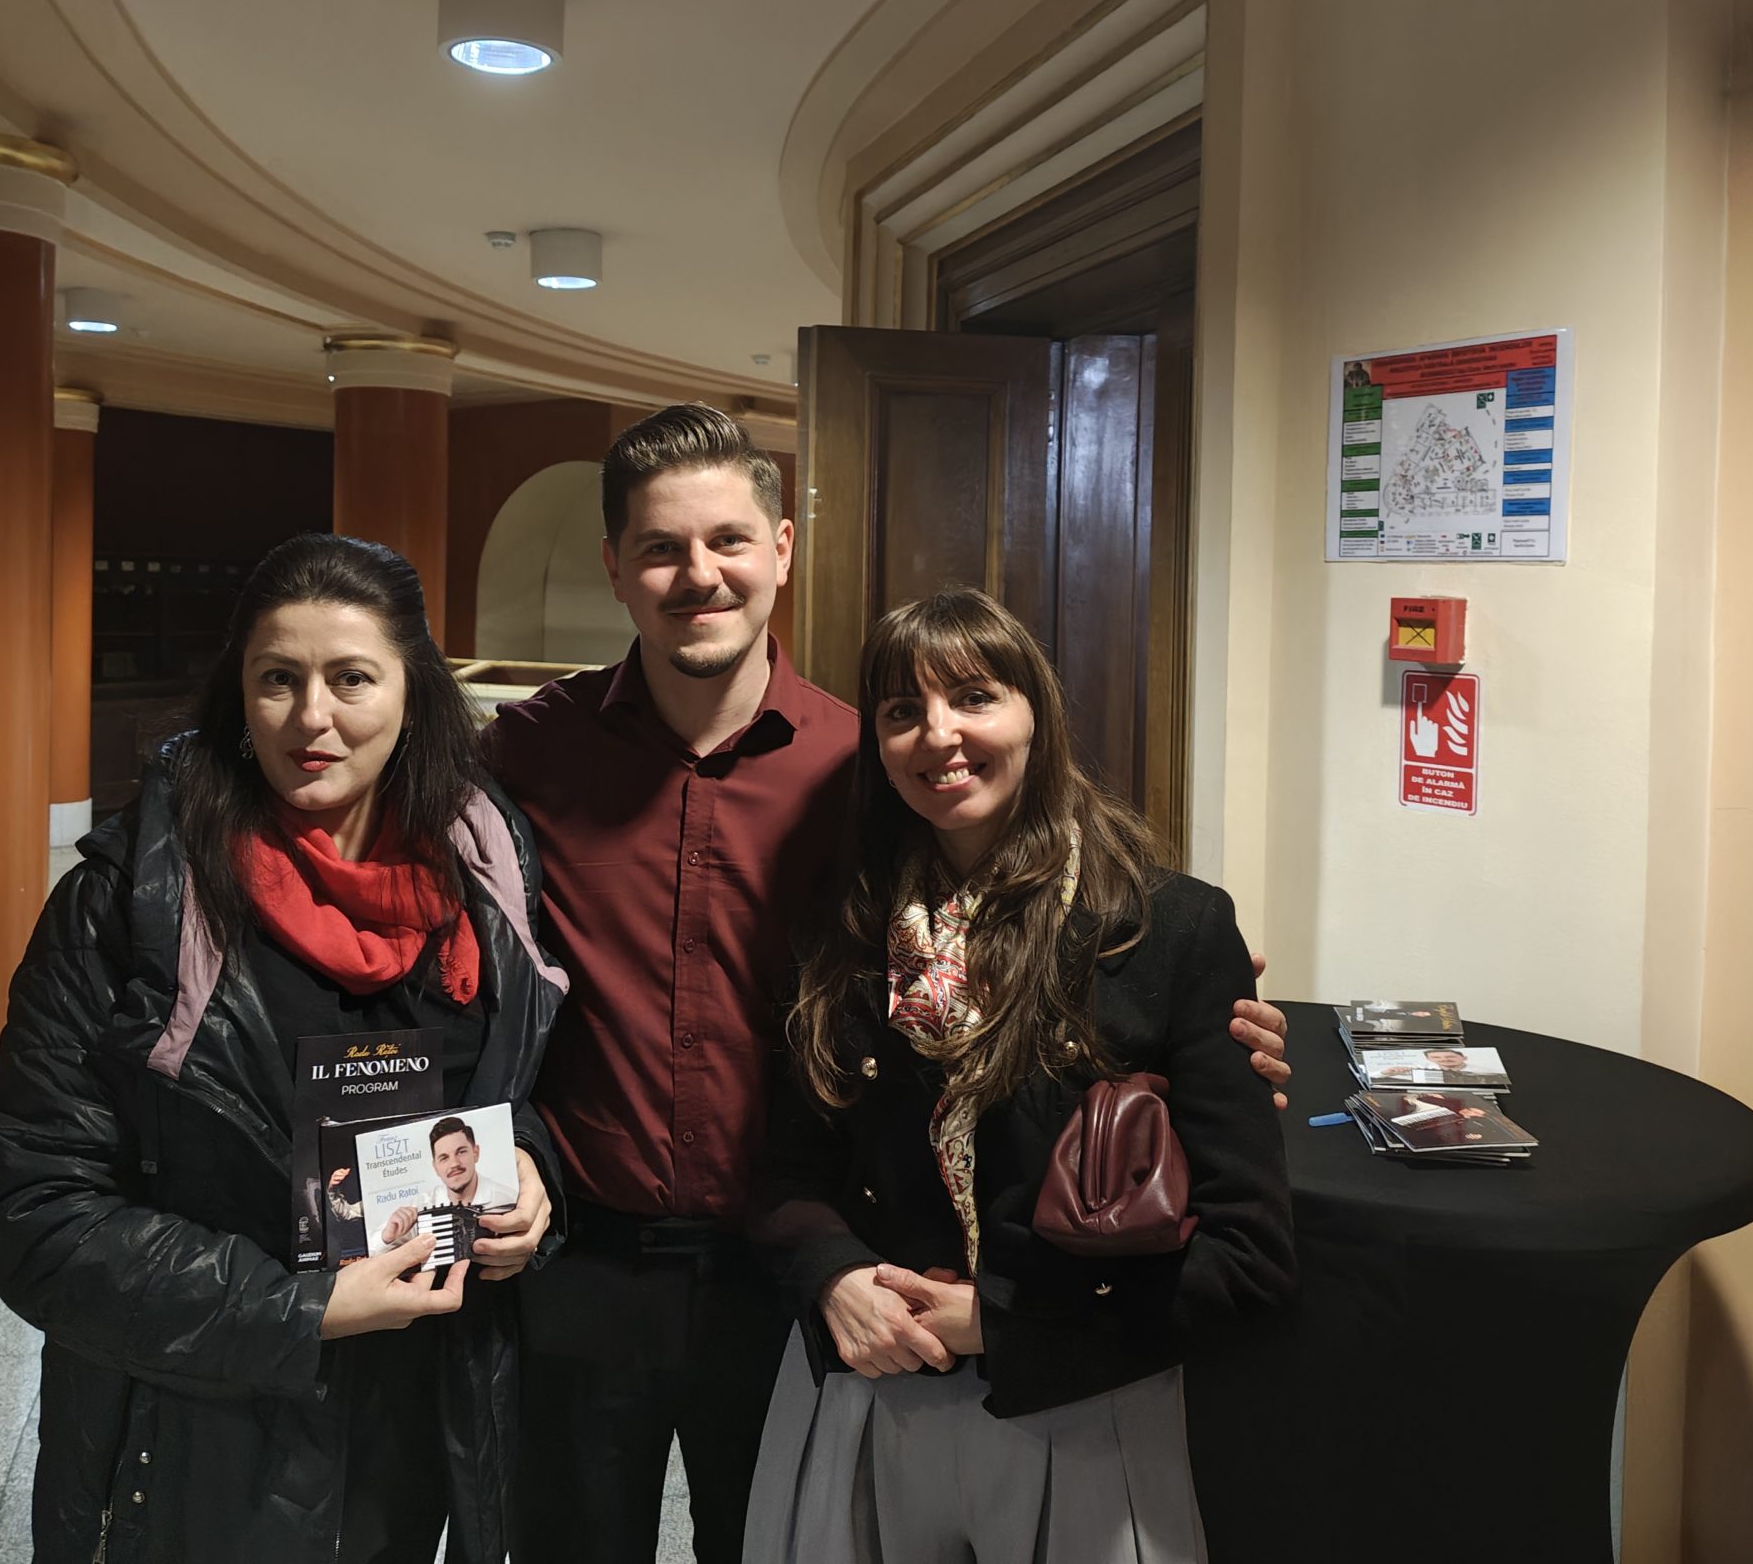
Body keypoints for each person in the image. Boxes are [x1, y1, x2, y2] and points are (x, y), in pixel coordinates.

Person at [489, 404, 1295, 1564]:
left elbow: (1048, 933)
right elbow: (461, 967)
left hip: (791, 1278)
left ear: (780, 550)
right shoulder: (526, 750)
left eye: (727, 539)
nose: (698, 573)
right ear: (616, 565)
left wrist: (1198, 1022)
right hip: (592, 1252)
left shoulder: (864, 769)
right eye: (661, 547)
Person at [0, 534, 567, 1564]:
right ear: (238, 695)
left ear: (415, 693)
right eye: (278, 680)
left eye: (352, 679)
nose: (311, 718)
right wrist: (303, 1308)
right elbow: (35, 1216)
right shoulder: (132, 902)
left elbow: (522, 1097)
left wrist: (530, 1174)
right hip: (200, 1437)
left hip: (418, 1422)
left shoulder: (486, 877)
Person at [743, 589, 1297, 1563]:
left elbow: (1248, 1259)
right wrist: (831, 1277)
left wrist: (1001, 1325)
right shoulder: (844, 928)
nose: (938, 735)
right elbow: (786, 1171)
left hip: (1080, 1405)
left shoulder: (1169, 928)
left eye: (973, 697)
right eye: (903, 711)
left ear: (1036, 714)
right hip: (873, 1392)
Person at [382, 1116, 521, 1244]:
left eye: (461, 1152)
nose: (454, 1164)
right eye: (444, 1158)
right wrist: (386, 1237)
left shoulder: (509, 1199)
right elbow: (377, 1249)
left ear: (476, 1153)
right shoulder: (421, 1207)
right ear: (435, 1167)